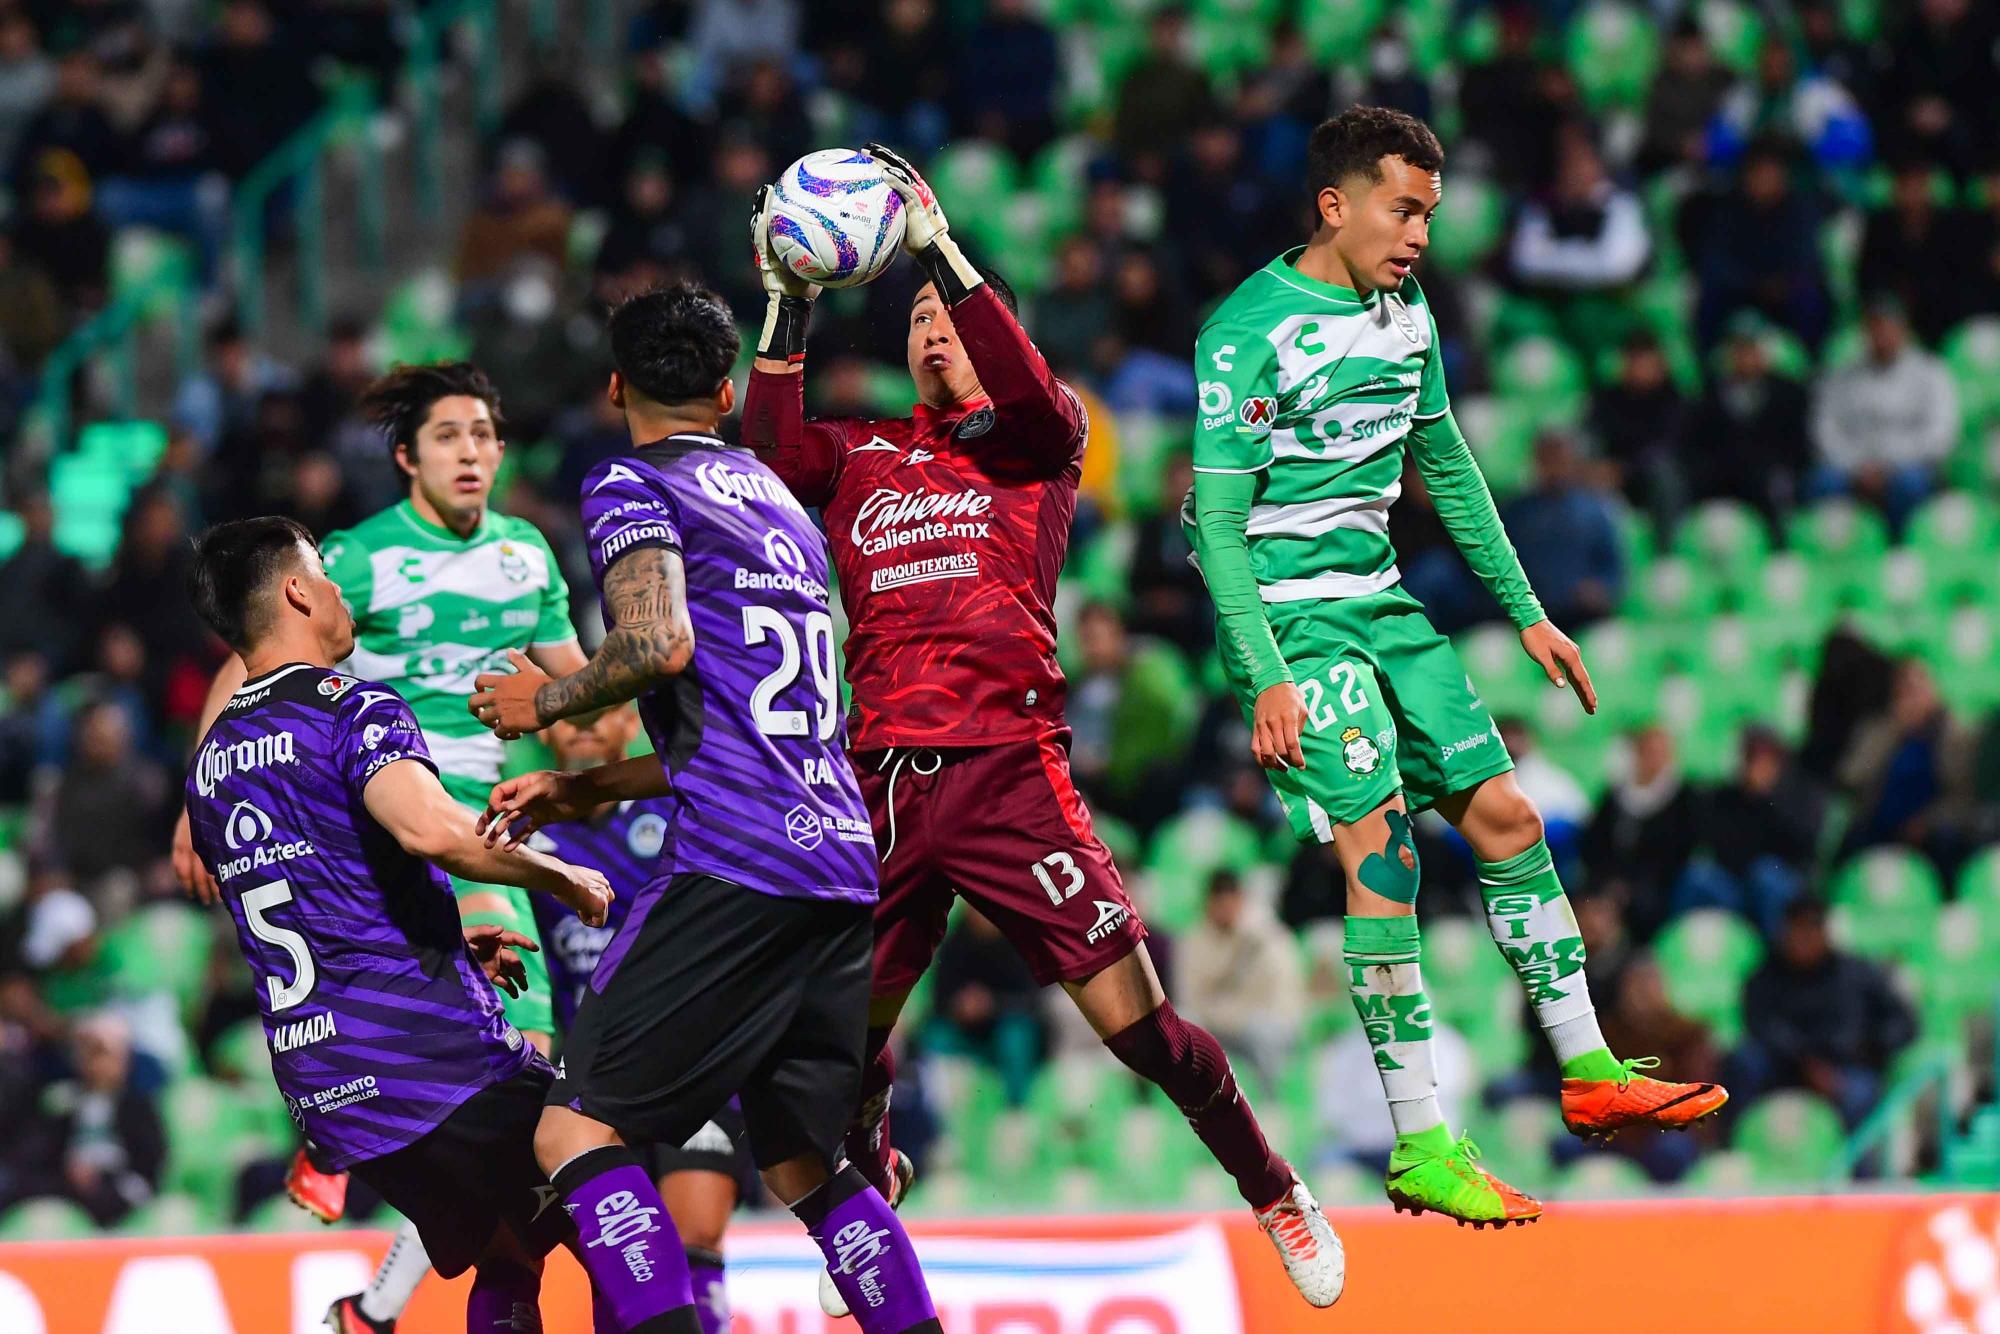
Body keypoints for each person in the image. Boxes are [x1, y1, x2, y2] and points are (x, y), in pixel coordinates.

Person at [740, 144, 1342, 1308]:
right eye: (914, 320)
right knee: (843, 1034)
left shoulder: (1035, 447)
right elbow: (767, 454)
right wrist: (789, 301)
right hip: (879, 779)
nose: (930, 333)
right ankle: (869, 1180)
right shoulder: (864, 455)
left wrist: (938, 251)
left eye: (949, 319)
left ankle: (1271, 1185)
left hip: (1007, 770)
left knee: (1137, 1025)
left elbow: (1020, 385)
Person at [1185, 106, 1727, 1227]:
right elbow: (1220, 532)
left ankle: (1586, 1067)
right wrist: (1265, 671)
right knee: (1379, 853)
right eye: (1403, 207)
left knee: (1507, 821)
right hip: (1294, 624)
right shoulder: (1245, 336)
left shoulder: (1406, 315)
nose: (1421, 233)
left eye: (1429, 212)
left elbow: (1448, 462)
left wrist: (1525, 611)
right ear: (1334, 204)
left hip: (1383, 607)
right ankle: (1420, 1139)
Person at [467, 285, 943, 1334]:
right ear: (726, 391)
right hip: (834, 862)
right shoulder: (778, 500)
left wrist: (537, 701)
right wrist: (586, 782)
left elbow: (656, 644)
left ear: (612, 387)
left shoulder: (630, 479)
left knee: (573, 1134)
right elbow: (748, 706)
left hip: (734, 858)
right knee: (804, 1163)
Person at [169, 362, 588, 1315]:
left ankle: (373, 1291)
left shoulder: (527, 554)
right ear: (407, 457)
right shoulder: (352, 569)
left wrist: (610, 741)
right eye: (449, 435)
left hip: (467, 844)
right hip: (421, 825)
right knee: (569, 1137)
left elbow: (577, 695)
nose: (473, 451)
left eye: (486, 433)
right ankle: (383, 1298)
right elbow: (253, 659)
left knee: (513, 1229)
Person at [522, 704, 755, 1334]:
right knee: (617, 1253)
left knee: (696, 1234)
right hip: (589, 1071)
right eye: (571, 713)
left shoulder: (673, 816)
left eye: (604, 713)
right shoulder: (525, 838)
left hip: (690, 1055)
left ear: (633, 724)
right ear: (545, 729)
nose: (587, 726)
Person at [1737, 899, 1916, 1127]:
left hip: (1846, 1067)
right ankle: (1739, 1143)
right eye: (1796, 930)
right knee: (1745, 1060)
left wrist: (1872, 1048)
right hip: (1786, 1067)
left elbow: (1902, 1022)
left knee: (1861, 1093)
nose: (1802, 939)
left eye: (1810, 929)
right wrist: (1805, 1063)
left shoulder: (1857, 974)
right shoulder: (1764, 978)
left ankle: (1854, 1162)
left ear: (1825, 932)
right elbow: (1762, 1026)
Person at [1808, 296, 1960, 532]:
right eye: (1874, 327)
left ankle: (1903, 547)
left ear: (1904, 330)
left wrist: (1889, 466)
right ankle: (1838, 554)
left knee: (1911, 484)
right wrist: (1857, 466)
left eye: (1888, 327)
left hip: (1908, 465)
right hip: (1853, 467)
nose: (1881, 335)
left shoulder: (1930, 372)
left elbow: (1940, 435)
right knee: (1823, 482)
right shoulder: (1842, 376)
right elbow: (1825, 429)